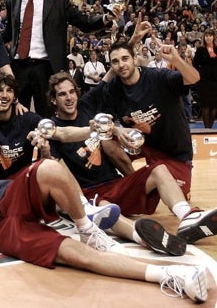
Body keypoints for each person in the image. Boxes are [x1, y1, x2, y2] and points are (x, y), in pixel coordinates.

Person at [0, 104, 208, 304]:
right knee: (78, 257)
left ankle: (87, 224)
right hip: (0, 231)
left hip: (4, 194)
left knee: (48, 168)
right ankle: (171, 275)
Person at [48, 71, 217, 254]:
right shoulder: (52, 129)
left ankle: (187, 216)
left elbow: (109, 75)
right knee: (106, 210)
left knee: (158, 169)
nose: (69, 98)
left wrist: (133, 41)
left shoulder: (87, 106)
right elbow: (63, 175)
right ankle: (144, 237)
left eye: (71, 92)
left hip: (115, 184)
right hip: (91, 194)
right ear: (53, 100)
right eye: (62, 94)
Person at [3, 0, 118, 116]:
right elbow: (8, 33)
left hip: (47, 67)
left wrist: (106, 18)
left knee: (47, 116)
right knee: (16, 114)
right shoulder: (12, 1)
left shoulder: (59, 0)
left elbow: (84, 22)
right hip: (18, 67)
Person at [192, 28, 217, 128]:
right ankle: (207, 128)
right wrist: (201, 73)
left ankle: (211, 127)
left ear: (214, 37)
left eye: (210, 35)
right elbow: (195, 64)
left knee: (215, 105)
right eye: (206, 36)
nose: (208, 37)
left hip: (216, 80)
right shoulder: (200, 49)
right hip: (204, 81)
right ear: (204, 37)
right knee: (205, 105)